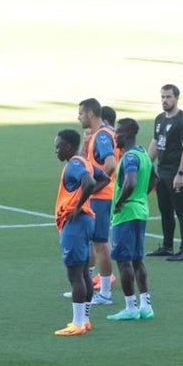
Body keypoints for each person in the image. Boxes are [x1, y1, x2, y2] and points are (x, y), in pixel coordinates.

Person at [106, 119, 158, 322]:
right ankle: (146, 306)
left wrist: (119, 202)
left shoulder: (128, 157)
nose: (115, 136)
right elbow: (156, 178)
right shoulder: (144, 153)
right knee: (137, 260)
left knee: (123, 261)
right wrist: (141, 196)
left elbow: (130, 181)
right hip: (141, 211)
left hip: (126, 214)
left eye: (117, 132)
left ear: (126, 135)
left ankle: (130, 307)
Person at [53, 128, 103, 337]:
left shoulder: (74, 164)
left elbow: (90, 183)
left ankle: (77, 323)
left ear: (69, 147)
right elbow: (104, 179)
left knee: (75, 274)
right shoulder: (85, 162)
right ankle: (85, 320)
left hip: (75, 223)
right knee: (83, 273)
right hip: (86, 220)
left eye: (58, 146)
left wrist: (77, 206)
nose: (55, 151)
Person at [146, 84, 183, 261]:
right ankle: (167, 246)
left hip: (176, 173)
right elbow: (155, 143)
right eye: (162, 97)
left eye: (168, 97)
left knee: (181, 211)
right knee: (165, 210)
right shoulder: (159, 119)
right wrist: (145, 164)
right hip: (162, 173)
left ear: (176, 98)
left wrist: (180, 174)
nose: (164, 100)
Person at [78, 98, 118, 304]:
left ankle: (104, 293)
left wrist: (96, 185)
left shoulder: (102, 135)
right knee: (94, 242)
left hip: (102, 197)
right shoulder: (100, 134)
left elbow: (111, 163)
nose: (79, 117)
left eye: (81, 114)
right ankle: (88, 285)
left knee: (101, 244)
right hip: (100, 196)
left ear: (91, 114)